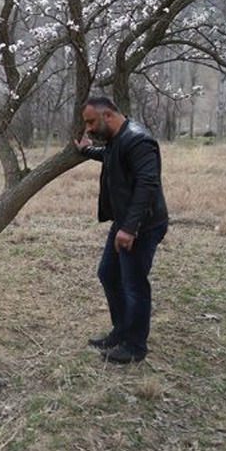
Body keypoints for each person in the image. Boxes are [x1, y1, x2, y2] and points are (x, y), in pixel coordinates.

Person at [74, 96, 169, 364]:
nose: (89, 128)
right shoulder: (119, 139)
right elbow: (111, 155)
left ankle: (135, 346)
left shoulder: (139, 140)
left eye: (91, 122)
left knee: (134, 285)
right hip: (126, 222)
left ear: (109, 115)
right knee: (108, 274)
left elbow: (147, 185)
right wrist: (86, 151)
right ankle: (121, 331)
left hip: (143, 226)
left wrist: (129, 228)